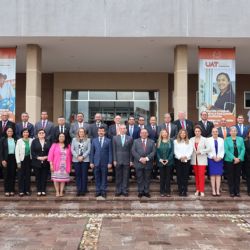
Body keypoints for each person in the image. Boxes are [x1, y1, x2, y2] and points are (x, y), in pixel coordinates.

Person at [132, 128, 156, 198]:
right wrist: (140, 159)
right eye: (142, 133)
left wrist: (146, 158)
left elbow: (153, 152)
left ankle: (146, 191)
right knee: (139, 178)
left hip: (148, 163)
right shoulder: (135, 141)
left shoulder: (151, 141)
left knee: (147, 178)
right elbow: (133, 151)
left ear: (147, 134)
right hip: (138, 163)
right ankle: (140, 191)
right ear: (140, 134)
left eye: (145, 133)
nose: (144, 134)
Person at [90, 126, 112, 198]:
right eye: (99, 131)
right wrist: (91, 162)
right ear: (98, 132)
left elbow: (110, 152)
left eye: (102, 131)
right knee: (97, 177)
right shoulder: (94, 140)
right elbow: (92, 152)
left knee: (104, 177)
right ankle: (98, 191)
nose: (101, 132)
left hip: (105, 163)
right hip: (96, 162)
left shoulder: (108, 140)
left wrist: (109, 162)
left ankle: (103, 191)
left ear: (104, 132)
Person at [48, 133, 72, 197]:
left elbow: (70, 156)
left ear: (65, 138)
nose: (61, 138)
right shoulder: (54, 145)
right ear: (58, 137)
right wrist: (51, 165)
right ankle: (57, 192)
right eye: (60, 136)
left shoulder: (68, 145)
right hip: (56, 165)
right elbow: (50, 155)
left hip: (65, 165)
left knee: (63, 179)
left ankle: (61, 192)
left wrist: (70, 166)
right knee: (56, 179)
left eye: (63, 136)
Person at [112, 124, 133, 196]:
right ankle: (118, 190)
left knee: (126, 176)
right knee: (118, 176)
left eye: (124, 128)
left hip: (127, 160)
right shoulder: (115, 138)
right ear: (119, 130)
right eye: (121, 128)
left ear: (126, 130)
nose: (123, 130)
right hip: (118, 160)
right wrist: (114, 160)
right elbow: (114, 150)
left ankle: (125, 190)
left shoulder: (130, 138)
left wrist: (131, 160)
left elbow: (131, 150)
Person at [224, 126, 245, 197]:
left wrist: (239, 158)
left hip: (239, 161)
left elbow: (243, 149)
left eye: (235, 130)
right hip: (229, 161)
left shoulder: (241, 139)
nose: (233, 132)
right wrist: (234, 158)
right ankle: (232, 191)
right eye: (232, 130)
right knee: (231, 176)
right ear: (229, 132)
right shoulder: (226, 139)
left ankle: (237, 191)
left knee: (237, 176)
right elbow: (226, 150)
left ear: (237, 132)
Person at [190, 125, 210, 197]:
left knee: (201, 175)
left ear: (201, 132)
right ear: (194, 132)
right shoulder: (191, 139)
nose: (197, 132)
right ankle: (197, 189)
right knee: (196, 176)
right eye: (196, 131)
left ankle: (201, 190)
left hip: (202, 160)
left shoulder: (204, 139)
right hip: (194, 160)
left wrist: (201, 151)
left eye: (198, 131)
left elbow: (209, 148)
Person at [31, 129, 51, 196]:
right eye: (40, 133)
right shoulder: (34, 141)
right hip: (36, 162)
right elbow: (32, 152)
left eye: (43, 133)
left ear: (45, 134)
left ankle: (43, 190)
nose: (41, 134)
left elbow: (50, 151)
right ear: (37, 134)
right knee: (38, 177)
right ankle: (39, 190)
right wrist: (38, 157)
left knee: (44, 177)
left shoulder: (48, 141)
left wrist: (46, 157)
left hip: (45, 162)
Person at [71, 128, 91, 196]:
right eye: (80, 132)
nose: (81, 133)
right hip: (76, 160)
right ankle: (79, 190)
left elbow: (89, 150)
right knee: (78, 175)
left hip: (85, 160)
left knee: (84, 175)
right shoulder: (74, 139)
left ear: (84, 133)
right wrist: (77, 156)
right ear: (78, 133)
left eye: (82, 132)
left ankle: (83, 190)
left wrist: (83, 157)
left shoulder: (88, 140)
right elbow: (72, 149)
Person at [174, 129, 193, 197]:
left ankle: (184, 190)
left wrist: (186, 156)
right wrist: (180, 157)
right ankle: (180, 190)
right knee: (179, 176)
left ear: (186, 134)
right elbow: (175, 151)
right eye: (181, 133)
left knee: (185, 176)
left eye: (184, 133)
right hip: (178, 160)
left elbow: (191, 150)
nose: (183, 134)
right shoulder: (175, 141)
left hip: (186, 160)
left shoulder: (189, 142)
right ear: (179, 134)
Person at [15, 128, 33, 196]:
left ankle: (27, 190)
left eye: (27, 132)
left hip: (29, 159)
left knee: (28, 175)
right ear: (22, 133)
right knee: (21, 176)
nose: (26, 133)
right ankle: (21, 191)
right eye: (24, 132)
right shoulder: (19, 141)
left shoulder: (31, 140)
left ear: (29, 133)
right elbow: (17, 152)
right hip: (21, 160)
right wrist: (18, 162)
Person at [207, 128, 225, 196]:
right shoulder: (208, 140)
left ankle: (217, 190)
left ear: (218, 132)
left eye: (216, 131)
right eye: (213, 132)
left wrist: (220, 157)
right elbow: (207, 150)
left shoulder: (221, 140)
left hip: (219, 159)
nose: (215, 133)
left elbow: (223, 150)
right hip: (211, 159)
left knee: (218, 175)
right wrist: (213, 157)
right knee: (212, 175)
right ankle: (213, 190)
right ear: (211, 133)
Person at [156, 129, 174, 197]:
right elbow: (157, 152)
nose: (164, 134)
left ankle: (168, 191)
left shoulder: (171, 141)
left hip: (169, 162)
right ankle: (162, 191)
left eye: (165, 132)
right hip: (160, 162)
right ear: (161, 134)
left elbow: (172, 152)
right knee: (162, 177)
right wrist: (160, 159)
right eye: (162, 133)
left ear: (167, 133)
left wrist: (168, 160)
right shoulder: (158, 141)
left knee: (168, 177)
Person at [0, 127, 17, 196]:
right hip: (6, 159)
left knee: (12, 174)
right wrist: (2, 160)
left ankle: (12, 190)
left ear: (13, 132)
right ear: (6, 132)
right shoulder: (2, 140)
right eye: (8, 131)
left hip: (13, 158)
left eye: (11, 131)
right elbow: (1, 151)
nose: (10, 132)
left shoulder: (15, 139)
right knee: (6, 175)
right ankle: (7, 190)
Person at [244, 128, 250, 196]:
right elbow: (244, 151)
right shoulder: (245, 142)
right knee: (248, 177)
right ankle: (249, 191)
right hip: (248, 162)